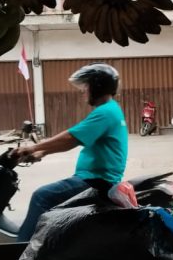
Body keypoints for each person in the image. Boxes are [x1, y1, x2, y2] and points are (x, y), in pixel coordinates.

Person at [14, 63, 129, 241]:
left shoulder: (105, 112)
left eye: (86, 85)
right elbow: (76, 139)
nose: (83, 90)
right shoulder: (111, 109)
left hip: (96, 181)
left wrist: (33, 148)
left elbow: (70, 138)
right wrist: (42, 153)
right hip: (99, 179)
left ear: (97, 87)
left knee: (41, 196)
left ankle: (20, 248)